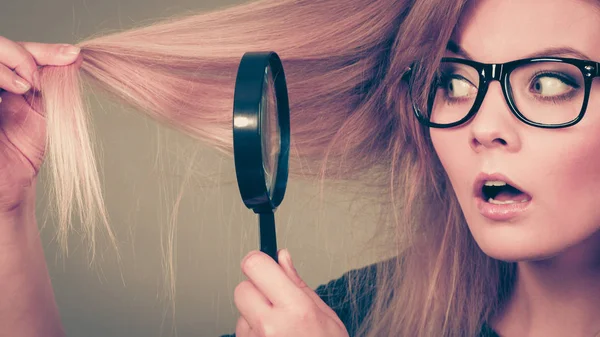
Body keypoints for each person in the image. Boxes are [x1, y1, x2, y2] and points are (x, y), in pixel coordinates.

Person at [1, 0, 599, 336]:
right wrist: (7, 210)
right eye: (452, 79)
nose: (483, 124)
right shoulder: (362, 313)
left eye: (550, 82)